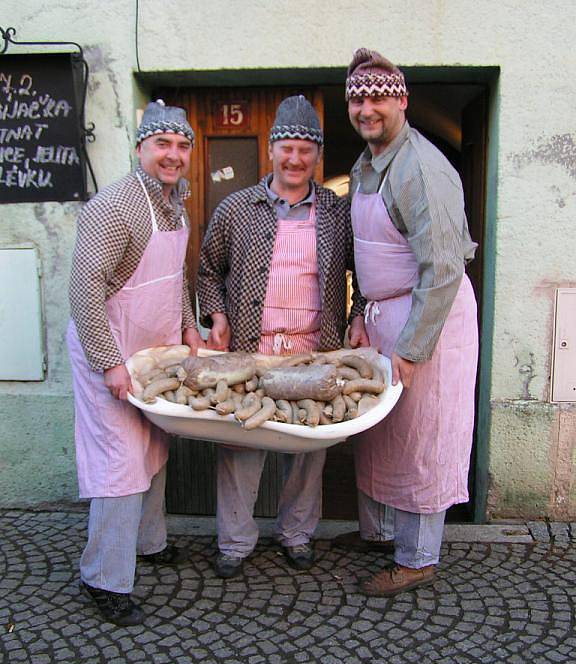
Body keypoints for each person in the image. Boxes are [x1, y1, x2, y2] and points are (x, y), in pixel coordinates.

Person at [197, 95, 364, 579]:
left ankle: (296, 534)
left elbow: (366, 272)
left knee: (308, 450)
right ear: (272, 150)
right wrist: (216, 313)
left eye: (305, 151)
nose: (295, 159)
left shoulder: (336, 210)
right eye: (286, 148)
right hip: (253, 350)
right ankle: (234, 542)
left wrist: (357, 315)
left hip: (315, 349)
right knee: (241, 447)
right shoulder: (236, 208)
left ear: (317, 157)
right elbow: (209, 271)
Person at [342, 48, 479, 596]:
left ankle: (418, 557)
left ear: (402, 100)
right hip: (383, 316)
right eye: (358, 98)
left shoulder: (420, 167)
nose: (366, 109)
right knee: (384, 434)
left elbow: (443, 268)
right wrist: (358, 312)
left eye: (378, 97)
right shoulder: (367, 164)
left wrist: (414, 348)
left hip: (429, 320)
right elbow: (364, 252)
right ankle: (379, 536)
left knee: (424, 436)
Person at [67, 100, 205, 625]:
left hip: (152, 351)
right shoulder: (114, 206)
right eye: (162, 145)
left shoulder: (175, 202)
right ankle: (104, 577)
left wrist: (189, 326)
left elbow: (175, 280)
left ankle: (149, 544)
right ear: (140, 148)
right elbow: (85, 289)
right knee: (121, 464)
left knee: (153, 446)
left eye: (181, 146)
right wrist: (108, 362)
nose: (173, 155)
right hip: (109, 351)